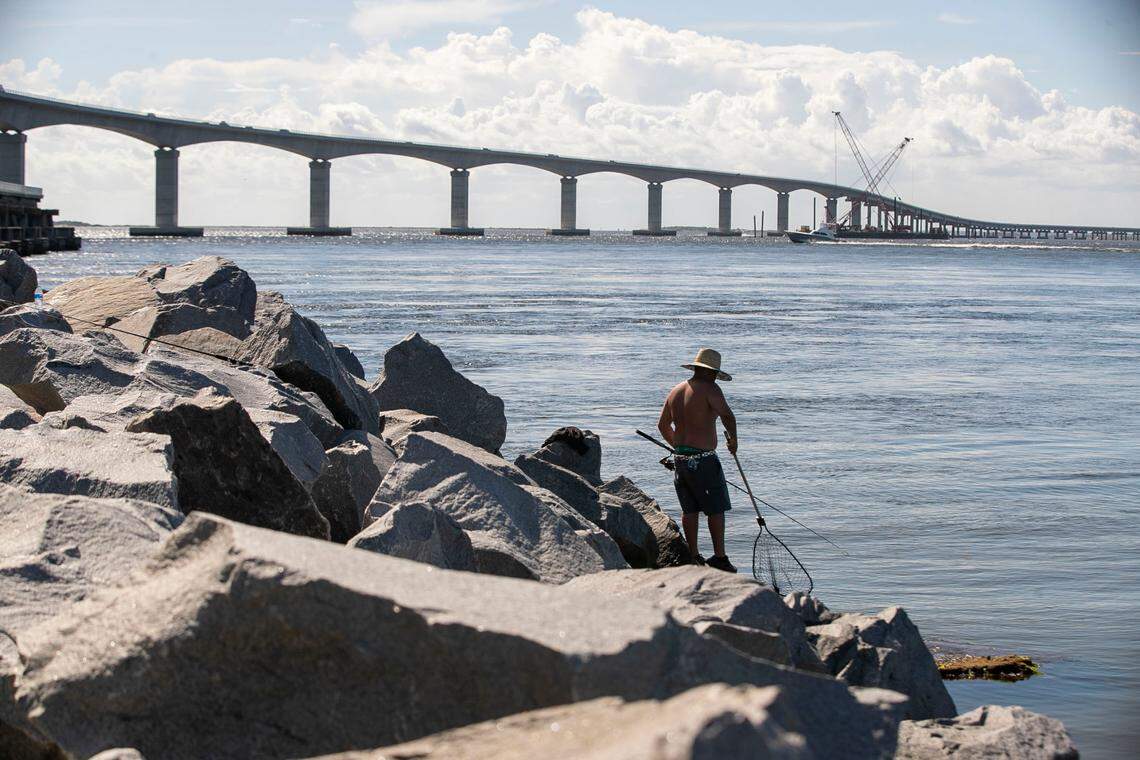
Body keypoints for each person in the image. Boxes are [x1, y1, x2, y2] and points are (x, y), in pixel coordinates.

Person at [657, 348, 738, 573]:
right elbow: (727, 416)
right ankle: (720, 557)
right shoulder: (711, 388)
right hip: (704, 460)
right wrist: (733, 441)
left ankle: (693, 555)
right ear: (710, 371)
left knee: (689, 509)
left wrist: (679, 448)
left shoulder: (676, 390)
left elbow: (662, 425)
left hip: (681, 461)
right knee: (716, 508)